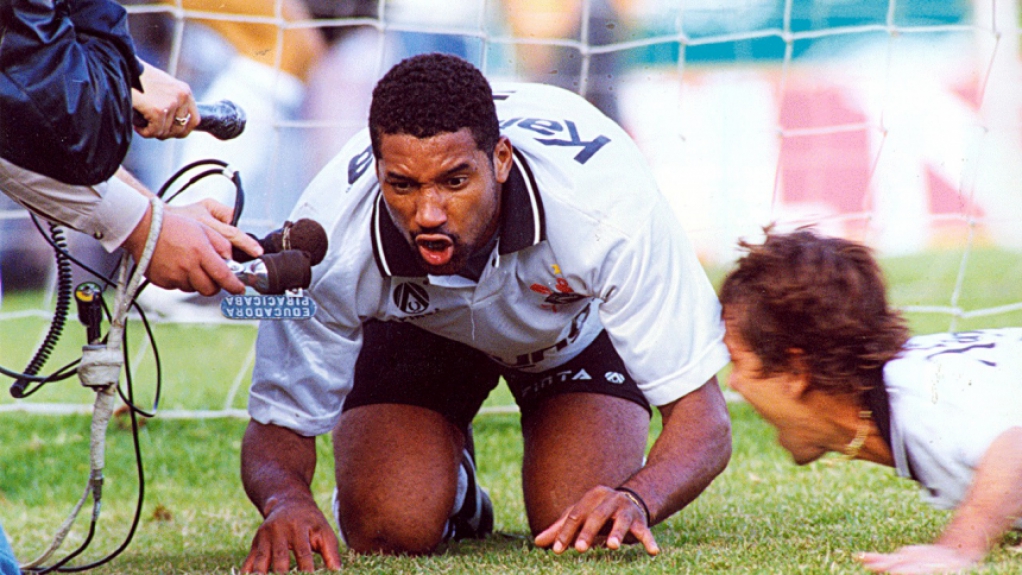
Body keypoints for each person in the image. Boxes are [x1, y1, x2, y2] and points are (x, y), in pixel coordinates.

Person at [240, 52, 732, 573]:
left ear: (500, 159)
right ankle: (455, 487)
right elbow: (277, 426)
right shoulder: (329, 234)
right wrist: (286, 502)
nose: (427, 213)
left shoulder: (607, 208)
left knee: (577, 518)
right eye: (402, 185)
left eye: (455, 181)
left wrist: (636, 499)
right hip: (422, 332)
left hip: (571, 330)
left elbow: (706, 423)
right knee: (388, 527)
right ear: (378, 170)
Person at [719, 228, 1022, 575]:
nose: (734, 384)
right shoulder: (909, 381)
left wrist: (959, 548)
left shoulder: (918, 400)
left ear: (796, 372)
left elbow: (1015, 447)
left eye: (739, 362)